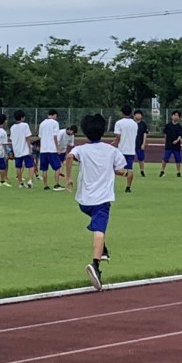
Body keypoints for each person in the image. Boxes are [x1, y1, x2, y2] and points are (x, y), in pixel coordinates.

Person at [65, 113, 127, 291]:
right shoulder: (112, 151)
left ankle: (103, 249)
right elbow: (121, 169)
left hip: (84, 201)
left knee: (97, 223)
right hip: (102, 200)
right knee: (99, 230)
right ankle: (95, 265)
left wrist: (68, 178)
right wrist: (122, 173)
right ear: (103, 131)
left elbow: (69, 157)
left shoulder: (81, 149)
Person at [113, 104, 138, 192]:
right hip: (131, 149)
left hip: (121, 149)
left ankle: (112, 185)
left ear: (122, 113)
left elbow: (118, 136)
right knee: (130, 168)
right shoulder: (134, 124)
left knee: (114, 168)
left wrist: (115, 143)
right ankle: (128, 187)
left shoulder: (119, 123)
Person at [38, 109, 65, 191]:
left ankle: (45, 185)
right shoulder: (55, 123)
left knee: (44, 168)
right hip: (52, 149)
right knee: (57, 167)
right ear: (54, 115)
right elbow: (55, 136)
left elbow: (40, 137)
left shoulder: (42, 123)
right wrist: (57, 148)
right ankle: (56, 184)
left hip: (43, 149)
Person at [9, 109, 35, 188]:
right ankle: (30, 180)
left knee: (18, 167)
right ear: (22, 117)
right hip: (25, 149)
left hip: (17, 150)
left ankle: (20, 182)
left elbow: (12, 139)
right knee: (31, 165)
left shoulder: (12, 127)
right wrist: (30, 148)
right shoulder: (25, 125)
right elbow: (28, 137)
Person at [160, 110, 182, 178]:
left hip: (177, 146)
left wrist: (176, 141)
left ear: (179, 117)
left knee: (178, 159)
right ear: (172, 116)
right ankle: (162, 171)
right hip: (168, 145)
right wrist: (165, 142)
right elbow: (165, 134)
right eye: (174, 115)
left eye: (177, 115)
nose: (176, 117)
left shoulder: (179, 127)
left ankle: (178, 172)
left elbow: (180, 135)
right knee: (165, 158)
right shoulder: (168, 126)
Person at [133, 109, 148, 177]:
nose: (138, 115)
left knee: (141, 158)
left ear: (141, 116)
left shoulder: (143, 124)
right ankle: (128, 170)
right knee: (130, 158)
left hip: (139, 144)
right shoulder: (132, 123)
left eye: (139, 114)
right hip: (132, 144)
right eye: (136, 114)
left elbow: (145, 134)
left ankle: (142, 171)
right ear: (134, 115)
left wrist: (143, 143)